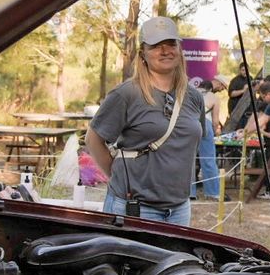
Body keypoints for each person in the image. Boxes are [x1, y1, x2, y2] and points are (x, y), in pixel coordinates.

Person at [86, 16, 204, 225]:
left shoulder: (194, 97)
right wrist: (114, 176)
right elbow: (93, 138)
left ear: (179, 49)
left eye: (171, 44)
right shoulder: (127, 94)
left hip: (179, 209)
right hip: (134, 208)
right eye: (156, 46)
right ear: (143, 53)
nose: (165, 51)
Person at [190, 77, 226, 201]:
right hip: (205, 124)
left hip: (188, 124)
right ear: (212, 87)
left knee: (188, 160)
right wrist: (216, 130)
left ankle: (189, 193)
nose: (220, 91)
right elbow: (215, 121)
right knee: (208, 160)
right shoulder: (213, 97)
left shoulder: (190, 93)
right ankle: (212, 193)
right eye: (221, 88)